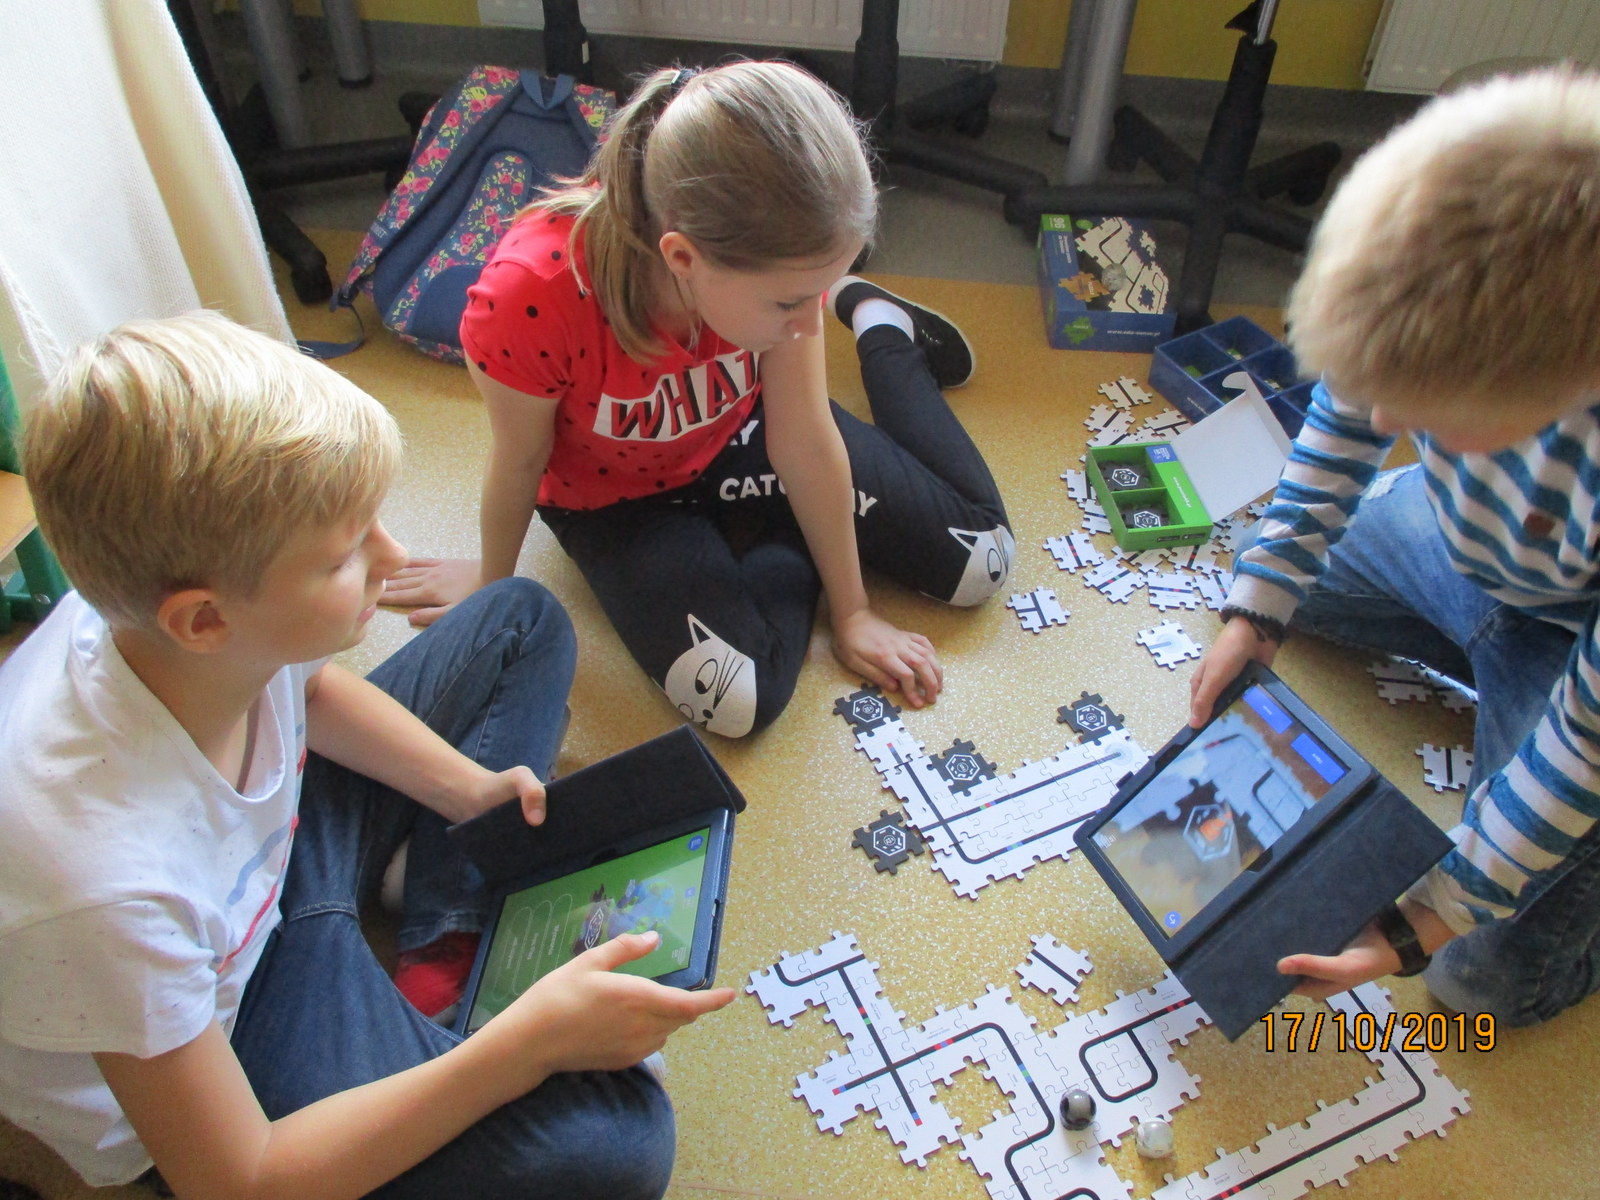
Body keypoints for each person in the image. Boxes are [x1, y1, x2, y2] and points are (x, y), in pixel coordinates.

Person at [0, 312, 734, 1199]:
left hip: (271, 865)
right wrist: (526, 1046)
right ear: (204, 620)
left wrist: (467, 791)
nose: (393, 556)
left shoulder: (166, 618)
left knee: (521, 619)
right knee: (624, 1148)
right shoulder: (105, 889)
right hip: (236, 1021)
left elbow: (307, 693)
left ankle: (439, 953)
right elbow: (237, 1181)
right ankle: (446, 982)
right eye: (349, 553)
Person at [381, 61, 1015, 738]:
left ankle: (882, 329)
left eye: (821, 293)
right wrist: (492, 585)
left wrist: (854, 611)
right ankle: (787, 523)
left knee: (983, 560)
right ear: (683, 259)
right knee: (736, 700)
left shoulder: (775, 292)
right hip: (616, 502)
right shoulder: (529, 295)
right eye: (793, 301)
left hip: (742, 439)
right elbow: (519, 459)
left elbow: (803, 441)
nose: (809, 325)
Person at [1188, 68, 1600, 1027]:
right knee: (1268, 575)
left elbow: (1583, 740)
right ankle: (1482, 652)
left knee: (1476, 981)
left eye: (1429, 413)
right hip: (1466, 551)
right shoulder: (1426, 270)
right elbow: (1342, 432)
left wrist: (1425, 923)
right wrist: (1258, 611)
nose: (1385, 419)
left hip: (1576, 644)